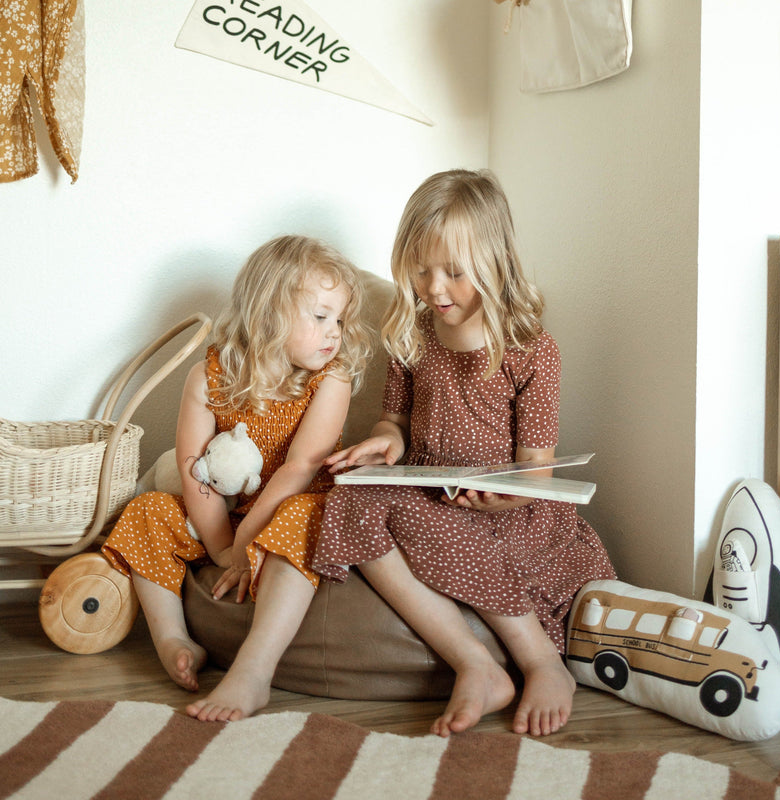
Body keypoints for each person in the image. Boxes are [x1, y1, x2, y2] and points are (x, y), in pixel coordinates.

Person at [314, 169, 616, 738]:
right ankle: (473, 662)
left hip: (510, 508)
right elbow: (394, 420)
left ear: (495, 262)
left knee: (466, 535)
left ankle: (541, 662)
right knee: (347, 500)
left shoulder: (533, 350)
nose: (434, 288)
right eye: (421, 270)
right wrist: (385, 442)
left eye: (453, 272)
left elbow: (537, 469)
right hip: (433, 492)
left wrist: (503, 499)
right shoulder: (413, 332)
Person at [102, 235, 370, 721]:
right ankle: (172, 639)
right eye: (320, 316)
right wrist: (223, 546)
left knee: (302, 515)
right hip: (224, 514)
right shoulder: (210, 376)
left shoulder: (331, 378)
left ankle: (253, 671)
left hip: (290, 504)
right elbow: (192, 471)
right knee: (145, 511)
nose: (335, 333)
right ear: (269, 311)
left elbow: (301, 467)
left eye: (340, 320)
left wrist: (247, 541)